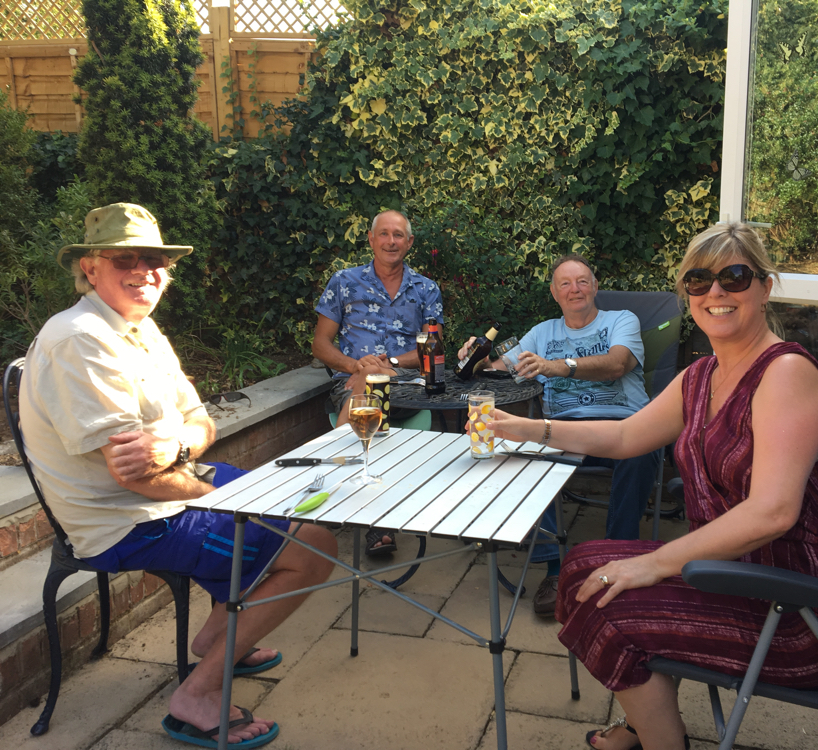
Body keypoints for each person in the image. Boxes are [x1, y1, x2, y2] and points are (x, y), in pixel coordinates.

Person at [487, 223, 818, 750]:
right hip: (742, 575)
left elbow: (773, 513)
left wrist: (651, 562)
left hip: (806, 611)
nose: (715, 292)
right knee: (581, 568)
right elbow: (627, 434)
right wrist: (530, 429)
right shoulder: (703, 375)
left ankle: (661, 741)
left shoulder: (784, 374)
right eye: (699, 280)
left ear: (764, 287)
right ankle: (644, 722)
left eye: (734, 277)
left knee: (609, 606)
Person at [19, 203, 336, 748]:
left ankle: (220, 636)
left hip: (167, 488)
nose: (145, 270)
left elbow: (201, 418)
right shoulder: (81, 339)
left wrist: (178, 442)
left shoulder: (137, 327)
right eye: (126, 259)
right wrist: (216, 492)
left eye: (155, 259)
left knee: (288, 503)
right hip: (125, 520)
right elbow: (135, 480)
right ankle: (196, 694)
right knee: (315, 549)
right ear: (90, 268)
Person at [458, 255, 660, 617]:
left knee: (641, 452)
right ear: (554, 293)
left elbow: (617, 364)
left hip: (621, 424)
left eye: (582, 281)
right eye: (565, 283)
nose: (575, 289)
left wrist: (558, 366)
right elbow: (498, 371)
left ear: (595, 287)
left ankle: (617, 560)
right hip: (562, 430)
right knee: (525, 457)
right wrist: (476, 356)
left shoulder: (621, 320)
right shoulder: (542, 332)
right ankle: (554, 570)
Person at [312, 209, 444, 556]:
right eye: (383, 233)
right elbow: (321, 344)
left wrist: (393, 363)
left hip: (405, 382)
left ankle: (330, 478)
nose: (391, 241)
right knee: (367, 382)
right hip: (352, 378)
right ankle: (376, 519)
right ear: (371, 239)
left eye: (398, 235)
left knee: (374, 382)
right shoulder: (343, 282)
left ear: (409, 242)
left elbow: (433, 347)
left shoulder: (426, 289)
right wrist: (357, 364)